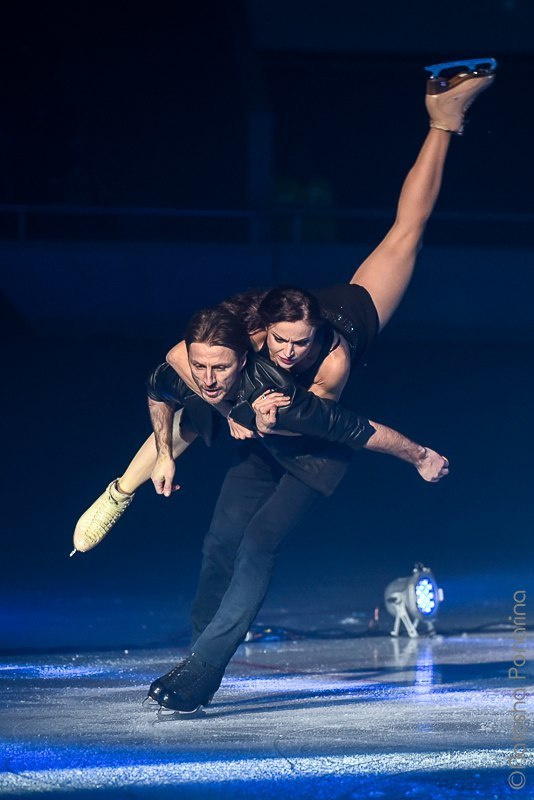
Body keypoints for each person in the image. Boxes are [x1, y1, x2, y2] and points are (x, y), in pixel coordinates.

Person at [71, 58, 495, 555]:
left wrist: (257, 416)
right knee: (193, 404)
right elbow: (177, 359)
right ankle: (120, 490)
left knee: (408, 236)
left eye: (298, 344)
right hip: (287, 331)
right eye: (280, 342)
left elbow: (318, 417)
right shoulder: (251, 336)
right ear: (267, 332)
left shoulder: (332, 363)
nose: (289, 353)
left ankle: (443, 120)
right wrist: (228, 404)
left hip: (349, 315)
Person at [143, 304, 448, 713]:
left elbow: (360, 429)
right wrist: (164, 453)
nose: (208, 380)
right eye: (199, 366)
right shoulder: (194, 373)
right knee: (220, 543)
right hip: (262, 453)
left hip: (313, 459)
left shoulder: (278, 393)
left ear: (244, 359)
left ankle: (205, 667)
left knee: (256, 543)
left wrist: (420, 455)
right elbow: (157, 388)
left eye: (220, 368)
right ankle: (198, 658)